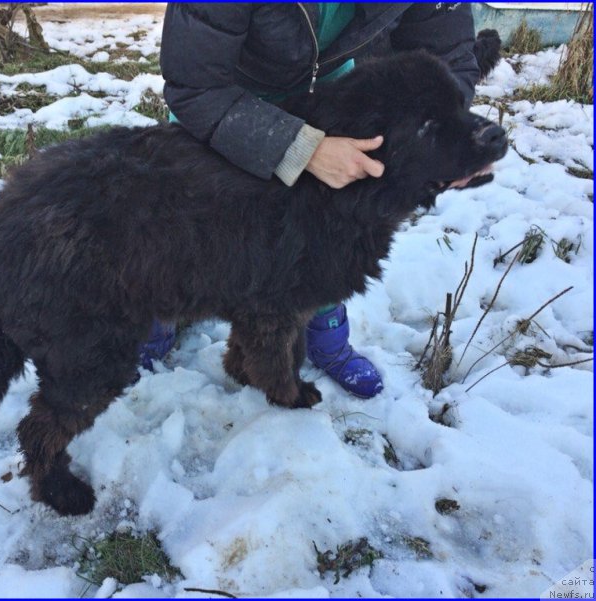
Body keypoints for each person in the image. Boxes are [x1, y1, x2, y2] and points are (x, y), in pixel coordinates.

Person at [140, 3, 483, 399]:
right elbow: (195, 84)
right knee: (195, 227)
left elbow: (446, 55)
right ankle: (156, 312)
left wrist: (450, 143)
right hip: (222, 96)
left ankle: (325, 329)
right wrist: (302, 149)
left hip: (331, 90)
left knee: (331, 232)